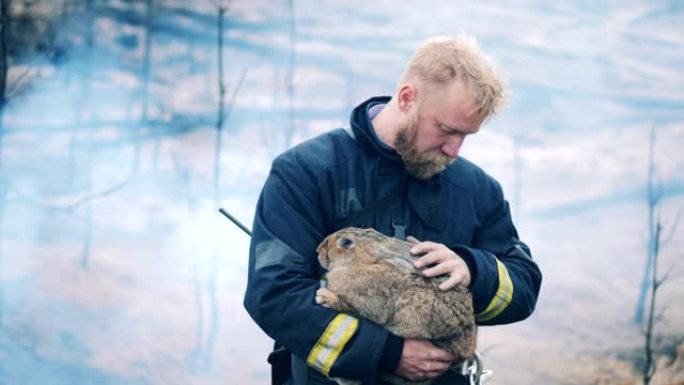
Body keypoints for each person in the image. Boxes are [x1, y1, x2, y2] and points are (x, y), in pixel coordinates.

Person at [244, 35, 542, 385]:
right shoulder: (307, 173)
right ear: (406, 98)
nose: (454, 150)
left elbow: (523, 287)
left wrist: (473, 270)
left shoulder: (476, 190)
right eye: (446, 130)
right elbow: (273, 294)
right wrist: (387, 352)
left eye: (466, 136)